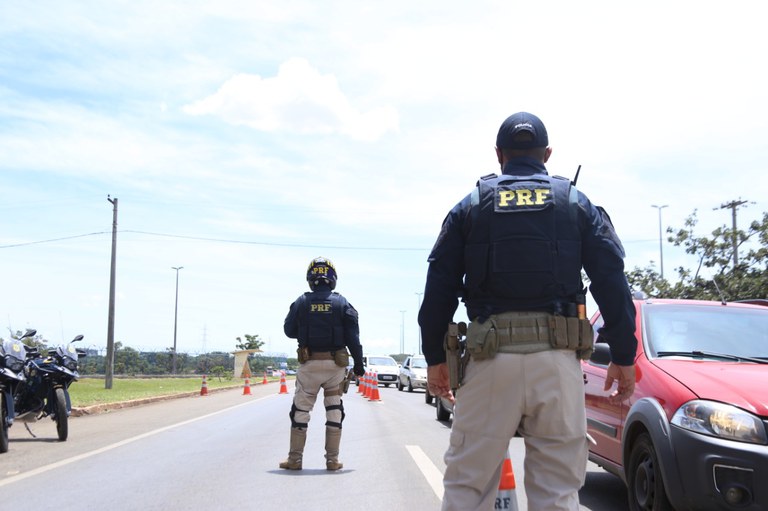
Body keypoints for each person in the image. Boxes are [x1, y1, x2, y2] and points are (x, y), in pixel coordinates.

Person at [418, 112, 637, 510]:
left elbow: (439, 290)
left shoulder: (471, 206)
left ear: (499, 154)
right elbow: (611, 282)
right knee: (556, 491)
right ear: (547, 154)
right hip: (557, 363)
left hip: (488, 362)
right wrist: (623, 355)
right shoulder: (575, 203)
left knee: (468, 486)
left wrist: (436, 358)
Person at [280, 257, 365, 471]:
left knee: (300, 411)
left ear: (311, 278)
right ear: (332, 278)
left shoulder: (301, 301)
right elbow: (354, 338)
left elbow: (289, 330)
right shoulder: (343, 303)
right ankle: (332, 461)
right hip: (335, 367)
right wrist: (359, 367)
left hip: (309, 366)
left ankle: (295, 459)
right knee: (334, 411)